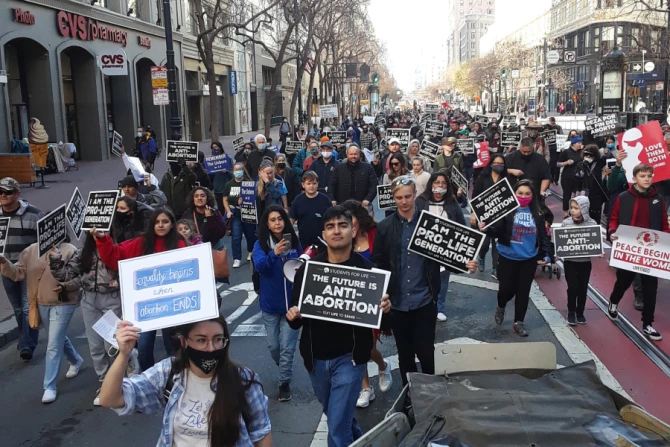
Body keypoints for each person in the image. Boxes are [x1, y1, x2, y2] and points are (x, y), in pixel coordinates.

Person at [286, 206, 391, 447]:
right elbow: (297, 318)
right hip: (316, 358)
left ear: (352, 231)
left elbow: (382, 323)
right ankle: (359, 439)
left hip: (350, 359)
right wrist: (293, 315)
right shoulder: (308, 271)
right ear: (324, 233)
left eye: (342, 225)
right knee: (337, 417)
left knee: (336, 428)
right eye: (330, 226)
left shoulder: (368, 272)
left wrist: (386, 310)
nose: (337, 231)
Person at [99, 316, 272, 446]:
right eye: (201, 340)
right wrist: (124, 354)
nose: (210, 348)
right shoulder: (167, 373)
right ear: (184, 341)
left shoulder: (243, 380)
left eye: (218, 339)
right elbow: (110, 399)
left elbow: (261, 433)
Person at [372, 176, 478, 386]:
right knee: (405, 355)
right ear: (393, 198)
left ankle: (432, 391)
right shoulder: (385, 227)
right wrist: (380, 294)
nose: (404, 201)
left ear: (415, 195)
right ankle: (409, 393)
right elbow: (378, 262)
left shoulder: (430, 224)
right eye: (399, 197)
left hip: (425, 301)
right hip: (398, 304)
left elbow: (448, 255)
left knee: (426, 353)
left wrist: (465, 264)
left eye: (408, 196)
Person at [49, 230, 139, 405]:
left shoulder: (117, 249)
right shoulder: (82, 253)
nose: (98, 232)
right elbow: (64, 275)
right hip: (89, 301)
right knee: (95, 345)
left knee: (112, 344)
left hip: (112, 299)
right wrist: (55, 258)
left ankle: (129, 364)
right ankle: (104, 382)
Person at [93, 208, 188, 371]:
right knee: (143, 348)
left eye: (165, 222)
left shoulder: (180, 243)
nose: (160, 225)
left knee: (173, 348)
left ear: (172, 224)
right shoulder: (141, 242)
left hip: (173, 305)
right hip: (146, 307)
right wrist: (103, 240)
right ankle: (147, 379)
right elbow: (116, 255)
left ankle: (175, 377)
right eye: (157, 222)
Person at [1, 239, 83, 403]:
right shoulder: (30, 250)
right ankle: (75, 360)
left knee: (53, 343)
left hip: (64, 302)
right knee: (57, 337)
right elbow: (18, 273)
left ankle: (49, 386)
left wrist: (65, 285)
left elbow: (79, 278)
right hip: (40, 302)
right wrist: (4, 263)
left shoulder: (69, 249)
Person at [340, 200, 392, 409]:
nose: (346, 226)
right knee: (355, 345)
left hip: (373, 298)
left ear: (359, 219)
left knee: (368, 346)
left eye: (349, 220)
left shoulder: (375, 233)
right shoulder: (343, 238)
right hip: (351, 297)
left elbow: (387, 262)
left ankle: (383, 365)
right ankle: (366, 388)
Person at [607, 164, 669, 341]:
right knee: (623, 281)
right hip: (629, 249)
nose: (647, 179)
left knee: (651, 288)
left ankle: (647, 323)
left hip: (650, 251)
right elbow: (614, 219)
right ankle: (613, 301)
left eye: (649, 175)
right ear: (634, 178)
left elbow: (664, 225)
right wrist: (612, 233)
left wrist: (666, 240)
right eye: (643, 176)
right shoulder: (623, 197)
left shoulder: (658, 199)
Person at [484, 180, 551, 337]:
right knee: (505, 289)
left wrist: (547, 255)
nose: (523, 196)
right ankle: (501, 306)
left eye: (527, 194)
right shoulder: (506, 211)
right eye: (520, 193)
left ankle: (518, 323)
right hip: (507, 257)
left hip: (528, 259)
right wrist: (486, 228)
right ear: (513, 194)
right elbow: (497, 231)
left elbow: (543, 236)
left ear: (532, 196)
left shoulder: (538, 214)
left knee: (523, 292)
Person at [253, 206, 301, 401]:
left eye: (280, 219)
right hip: (270, 305)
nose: (277, 223)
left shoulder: (294, 241)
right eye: (272, 220)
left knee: (287, 347)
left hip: (292, 305)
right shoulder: (260, 244)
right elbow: (260, 267)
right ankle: (284, 367)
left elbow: (302, 265)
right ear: (267, 223)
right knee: (274, 346)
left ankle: (284, 383)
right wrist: (273, 253)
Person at [414, 172, 468, 323]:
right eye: (437, 182)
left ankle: (440, 308)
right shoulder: (420, 201)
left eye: (443, 183)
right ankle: (424, 306)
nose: (440, 186)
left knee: (443, 281)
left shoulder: (452, 203)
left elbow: (461, 225)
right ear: (431, 184)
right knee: (423, 279)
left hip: (445, 250)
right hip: (424, 249)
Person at [0, 177, 41, 361]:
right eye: (0, 192)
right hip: (6, 268)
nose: (3, 195)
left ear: (17, 193)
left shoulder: (33, 214)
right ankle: (25, 336)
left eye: (7, 192)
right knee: (17, 308)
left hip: (28, 269)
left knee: (27, 307)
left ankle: (27, 344)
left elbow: (45, 239)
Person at [559, 196, 596, 326]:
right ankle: (571, 311)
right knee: (572, 287)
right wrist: (558, 251)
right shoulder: (566, 223)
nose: (573, 210)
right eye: (572, 207)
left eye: (576, 208)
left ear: (584, 209)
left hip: (585, 263)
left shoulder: (592, 224)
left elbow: (595, 242)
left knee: (582, 288)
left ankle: (580, 312)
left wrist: (599, 251)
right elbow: (561, 240)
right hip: (570, 262)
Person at [471, 154, 507, 278]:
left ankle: (495, 268)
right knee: (484, 244)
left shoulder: (506, 179)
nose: (499, 166)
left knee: (498, 245)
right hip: (484, 217)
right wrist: (473, 213)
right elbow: (475, 195)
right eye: (496, 163)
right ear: (491, 164)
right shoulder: (483, 178)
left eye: (501, 164)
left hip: (500, 217)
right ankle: (481, 257)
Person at [224, 163, 257, 268]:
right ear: (233, 171)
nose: (238, 171)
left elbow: (254, 198)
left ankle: (251, 251)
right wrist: (228, 211)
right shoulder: (228, 185)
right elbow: (225, 199)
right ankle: (237, 258)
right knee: (236, 236)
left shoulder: (249, 183)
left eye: (240, 169)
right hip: (235, 214)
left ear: (243, 171)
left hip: (248, 213)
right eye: (236, 169)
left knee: (250, 235)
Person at [290, 171, 332, 249]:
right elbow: (291, 220)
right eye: (308, 184)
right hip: (304, 241)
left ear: (318, 184)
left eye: (314, 183)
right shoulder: (298, 200)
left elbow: (332, 219)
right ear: (303, 185)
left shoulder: (325, 200)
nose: (311, 186)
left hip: (323, 241)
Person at [505, 137, 551, 202]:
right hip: (515, 194)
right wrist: (511, 171)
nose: (526, 154)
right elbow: (500, 171)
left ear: (532, 148)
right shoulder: (510, 157)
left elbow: (546, 176)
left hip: (535, 194)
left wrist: (542, 190)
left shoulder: (540, 159)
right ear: (520, 147)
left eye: (528, 152)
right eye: (524, 151)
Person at [557, 136, 585, 218]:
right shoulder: (566, 152)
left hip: (578, 177)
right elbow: (557, 164)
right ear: (573, 144)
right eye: (579, 143)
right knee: (567, 195)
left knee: (577, 195)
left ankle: (576, 211)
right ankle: (566, 212)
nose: (580, 144)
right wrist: (566, 163)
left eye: (581, 143)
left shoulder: (581, 152)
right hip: (567, 177)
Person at [581, 144, 608, 225]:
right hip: (585, 193)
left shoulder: (599, 163)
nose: (588, 156)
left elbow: (607, 158)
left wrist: (606, 152)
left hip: (597, 193)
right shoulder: (582, 164)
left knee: (596, 216)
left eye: (590, 155)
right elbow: (577, 178)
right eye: (586, 154)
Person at [208, 142, 234, 211]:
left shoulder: (227, 158)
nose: (215, 149)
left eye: (216, 147)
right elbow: (210, 177)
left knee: (230, 208)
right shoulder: (210, 161)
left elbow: (233, 173)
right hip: (217, 189)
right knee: (220, 209)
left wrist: (227, 171)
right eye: (213, 147)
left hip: (228, 188)